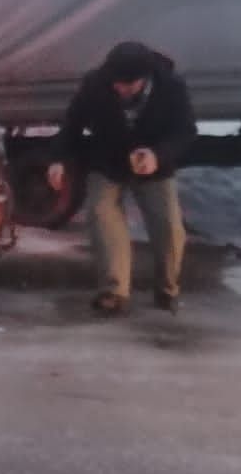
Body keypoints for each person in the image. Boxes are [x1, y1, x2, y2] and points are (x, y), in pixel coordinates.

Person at [47, 41, 198, 315]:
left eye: (127, 85)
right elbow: (72, 124)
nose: (119, 89)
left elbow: (185, 132)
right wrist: (58, 159)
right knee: (101, 215)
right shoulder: (95, 83)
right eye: (115, 83)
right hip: (108, 162)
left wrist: (157, 155)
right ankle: (113, 292)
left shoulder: (172, 87)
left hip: (154, 165)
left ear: (144, 79)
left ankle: (167, 289)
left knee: (169, 228)